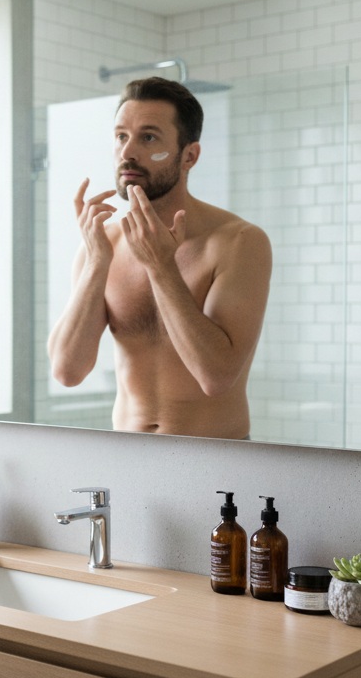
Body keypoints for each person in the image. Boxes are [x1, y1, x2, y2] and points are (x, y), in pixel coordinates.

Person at [47, 77, 271, 439]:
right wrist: (96, 263)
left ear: (189, 156)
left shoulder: (239, 242)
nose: (127, 152)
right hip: (130, 458)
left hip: (216, 465)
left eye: (148, 137)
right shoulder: (102, 244)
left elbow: (216, 377)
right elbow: (67, 371)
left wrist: (160, 267)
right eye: (121, 136)